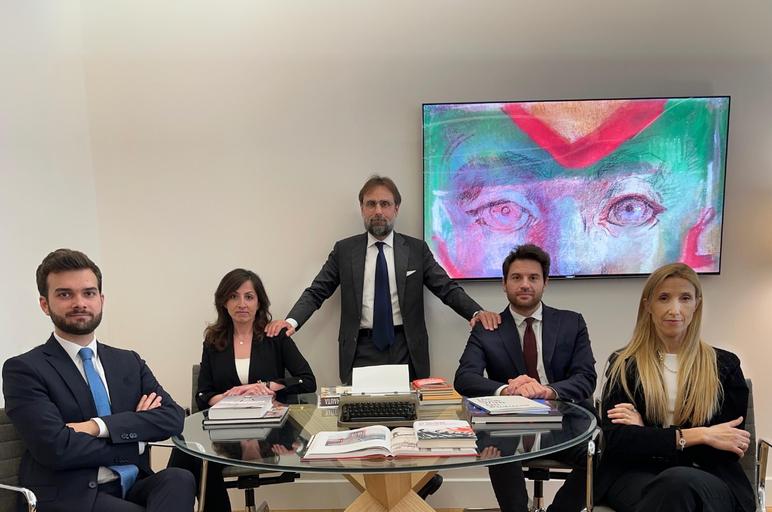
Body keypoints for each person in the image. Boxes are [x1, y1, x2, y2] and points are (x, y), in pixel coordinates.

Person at [423, 98, 729, 278]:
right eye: (504, 210)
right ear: (442, 222)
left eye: (630, 207)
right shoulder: (486, 330)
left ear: (698, 219)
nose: (568, 262)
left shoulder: (579, 331)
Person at [1, 249, 195, 512]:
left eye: (88, 293)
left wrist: (95, 427)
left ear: (101, 300)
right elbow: (56, 448)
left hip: (132, 482)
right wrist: (136, 441)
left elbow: (172, 417)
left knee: (179, 479)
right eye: (65, 294)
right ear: (45, 304)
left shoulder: (128, 361)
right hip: (70, 495)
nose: (79, 303)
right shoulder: (24, 369)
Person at [264, 175, 501, 385]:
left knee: (406, 414)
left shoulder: (416, 250)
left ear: (396, 208)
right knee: (361, 415)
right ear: (362, 208)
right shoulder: (344, 251)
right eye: (371, 204)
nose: (378, 211)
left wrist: (476, 312)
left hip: (406, 348)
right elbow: (317, 291)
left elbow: (446, 289)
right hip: (359, 349)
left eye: (385, 204)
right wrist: (291, 321)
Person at [595, 263, 754, 512]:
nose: (674, 309)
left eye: (685, 298)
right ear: (648, 305)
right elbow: (619, 440)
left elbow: (728, 449)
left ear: (697, 304)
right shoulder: (624, 364)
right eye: (664, 298)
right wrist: (702, 435)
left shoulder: (724, 365)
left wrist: (648, 434)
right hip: (634, 475)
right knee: (671, 489)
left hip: (710, 477)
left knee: (676, 482)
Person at [454, 244, 597, 512]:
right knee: (497, 447)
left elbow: (586, 377)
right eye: (516, 277)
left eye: (533, 277)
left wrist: (546, 391)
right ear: (504, 284)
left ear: (545, 283)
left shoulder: (571, 322)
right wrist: (508, 391)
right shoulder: (488, 329)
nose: (525, 285)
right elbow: (464, 378)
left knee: (600, 452)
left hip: (565, 421)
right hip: (508, 424)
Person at [168, 268, 316, 512]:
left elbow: (307, 380)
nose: (242, 304)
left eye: (249, 297)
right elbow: (203, 395)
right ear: (224, 302)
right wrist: (228, 396)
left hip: (271, 432)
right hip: (227, 432)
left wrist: (268, 386)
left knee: (197, 458)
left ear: (259, 302)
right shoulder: (213, 341)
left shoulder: (274, 336)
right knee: (188, 452)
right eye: (234, 296)